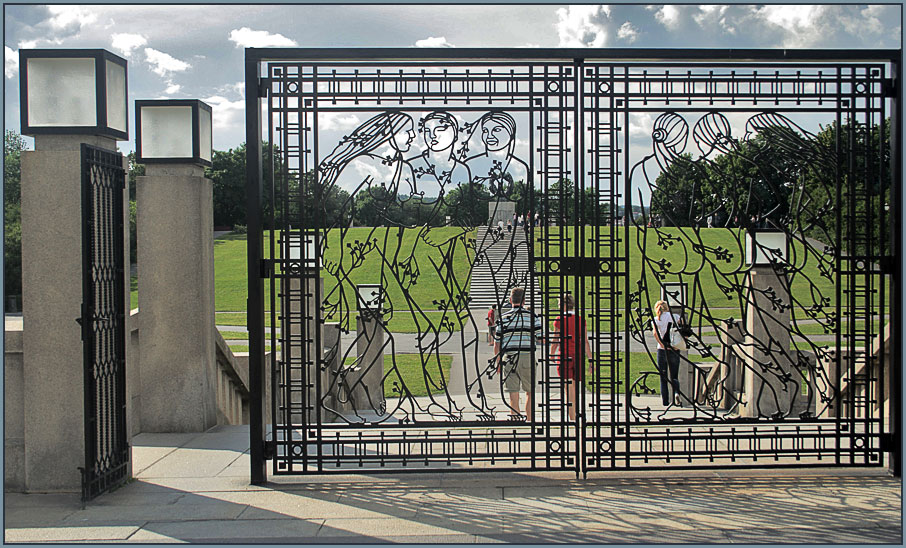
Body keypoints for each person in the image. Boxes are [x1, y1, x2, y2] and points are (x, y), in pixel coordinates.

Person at [494, 287, 543, 420]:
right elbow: (541, 338)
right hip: (527, 356)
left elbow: (497, 343)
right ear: (524, 300)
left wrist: (498, 362)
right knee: (530, 391)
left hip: (509, 356)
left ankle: (515, 418)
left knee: (513, 392)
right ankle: (530, 419)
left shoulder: (503, 318)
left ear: (510, 300)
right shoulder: (532, 316)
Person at [550, 293, 591, 421]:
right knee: (574, 386)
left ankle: (572, 416)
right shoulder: (580, 319)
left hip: (565, 356)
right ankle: (575, 413)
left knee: (568, 388)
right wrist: (590, 359)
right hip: (578, 356)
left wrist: (551, 354)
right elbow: (585, 341)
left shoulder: (559, 320)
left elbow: (556, 339)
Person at [651, 300, 683, 406]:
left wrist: (662, 344)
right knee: (674, 375)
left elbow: (655, 333)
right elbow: (682, 328)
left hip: (662, 349)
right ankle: (676, 393)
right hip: (674, 348)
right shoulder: (675, 317)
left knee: (663, 376)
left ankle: (665, 401)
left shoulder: (656, 319)